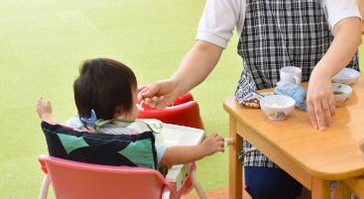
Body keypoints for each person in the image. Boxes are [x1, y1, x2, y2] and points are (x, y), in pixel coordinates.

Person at [139, 0, 361, 199]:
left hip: (326, 100)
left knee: (340, 179)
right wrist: (176, 85)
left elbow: (350, 30)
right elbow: (207, 46)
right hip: (266, 104)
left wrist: (322, 75)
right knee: (268, 189)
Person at [36, 58, 225, 168]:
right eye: (134, 97)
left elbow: (54, 127)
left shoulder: (73, 129)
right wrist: (202, 149)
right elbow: (167, 156)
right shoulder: (133, 141)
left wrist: (46, 115)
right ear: (119, 111)